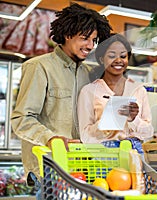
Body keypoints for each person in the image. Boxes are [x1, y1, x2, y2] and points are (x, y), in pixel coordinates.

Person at [10, 3, 111, 198]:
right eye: (84, 38)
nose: (90, 45)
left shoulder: (89, 75)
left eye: (94, 40)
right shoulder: (39, 67)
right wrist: (50, 138)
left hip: (81, 167)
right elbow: (22, 119)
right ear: (67, 34)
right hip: (48, 167)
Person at [77, 33, 154, 147]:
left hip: (133, 155)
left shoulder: (138, 90)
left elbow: (148, 133)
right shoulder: (89, 91)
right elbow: (85, 136)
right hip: (102, 156)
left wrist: (133, 120)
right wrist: (106, 123)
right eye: (112, 56)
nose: (118, 60)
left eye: (123, 56)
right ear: (101, 59)